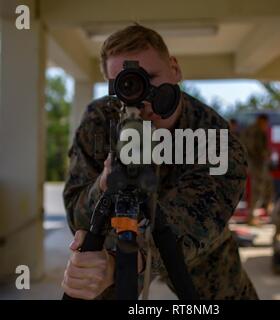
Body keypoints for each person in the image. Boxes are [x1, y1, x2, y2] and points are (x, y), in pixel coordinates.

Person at [61, 24, 258, 300]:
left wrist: (123, 265)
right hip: (116, 242)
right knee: (93, 281)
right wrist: (104, 185)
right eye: (125, 84)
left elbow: (196, 222)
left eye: (148, 78)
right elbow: (76, 213)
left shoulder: (213, 135)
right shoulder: (99, 120)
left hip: (199, 250)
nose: (141, 98)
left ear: (175, 69)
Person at [241, 114, 274, 224]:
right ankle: (251, 216)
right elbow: (253, 148)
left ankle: (261, 211)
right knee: (257, 189)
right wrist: (264, 154)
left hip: (257, 163)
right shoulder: (255, 131)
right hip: (256, 163)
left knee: (266, 185)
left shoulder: (254, 130)